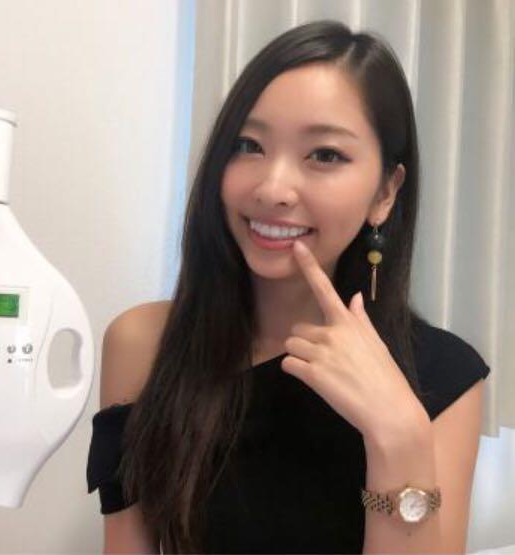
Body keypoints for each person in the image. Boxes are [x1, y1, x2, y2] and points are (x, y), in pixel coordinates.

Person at [86, 19, 490, 554]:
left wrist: (398, 436)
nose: (273, 188)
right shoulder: (144, 343)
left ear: (385, 193)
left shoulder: (444, 376)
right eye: (248, 144)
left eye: (325, 154)